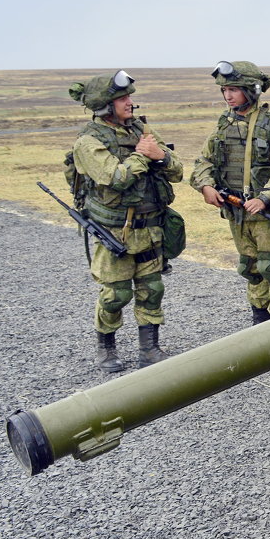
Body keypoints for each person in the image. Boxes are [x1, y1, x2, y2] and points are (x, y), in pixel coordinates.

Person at [68, 71, 183, 372]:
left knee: (152, 289)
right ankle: (106, 347)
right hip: (115, 232)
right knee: (115, 294)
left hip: (150, 228)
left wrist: (161, 155)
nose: (129, 103)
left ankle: (150, 349)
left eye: (129, 97)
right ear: (105, 105)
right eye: (122, 98)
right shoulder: (88, 141)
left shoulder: (141, 128)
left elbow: (177, 171)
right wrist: (145, 156)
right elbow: (115, 177)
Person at [190, 61, 270, 325]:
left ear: (251, 90)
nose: (228, 95)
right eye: (225, 90)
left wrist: (265, 198)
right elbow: (203, 161)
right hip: (236, 212)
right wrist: (205, 186)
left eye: (234, 89)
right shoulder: (224, 125)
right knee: (250, 267)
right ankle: (259, 323)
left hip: (265, 213)